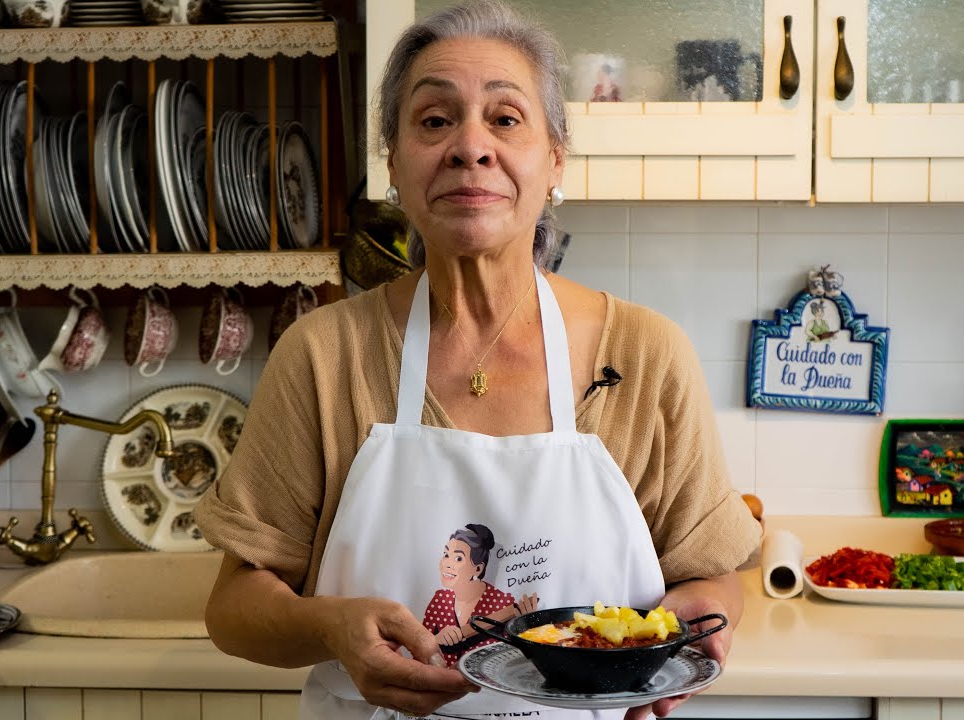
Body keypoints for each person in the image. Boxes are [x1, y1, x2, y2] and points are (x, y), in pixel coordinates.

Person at [195, 2, 762, 719]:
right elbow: (234, 606)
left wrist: (679, 635)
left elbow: (714, 580)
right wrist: (328, 626)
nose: (470, 146)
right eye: (434, 120)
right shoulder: (324, 354)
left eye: (505, 118)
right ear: (394, 163)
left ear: (554, 157)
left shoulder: (645, 355)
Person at [422, 524, 539, 665]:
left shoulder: (503, 604)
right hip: (439, 683)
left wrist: (528, 627)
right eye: (446, 555)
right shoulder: (440, 599)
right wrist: (436, 639)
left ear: (478, 569)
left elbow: (517, 658)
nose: (447, 564)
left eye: (458, 558)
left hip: (485, 685)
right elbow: (418, 647)